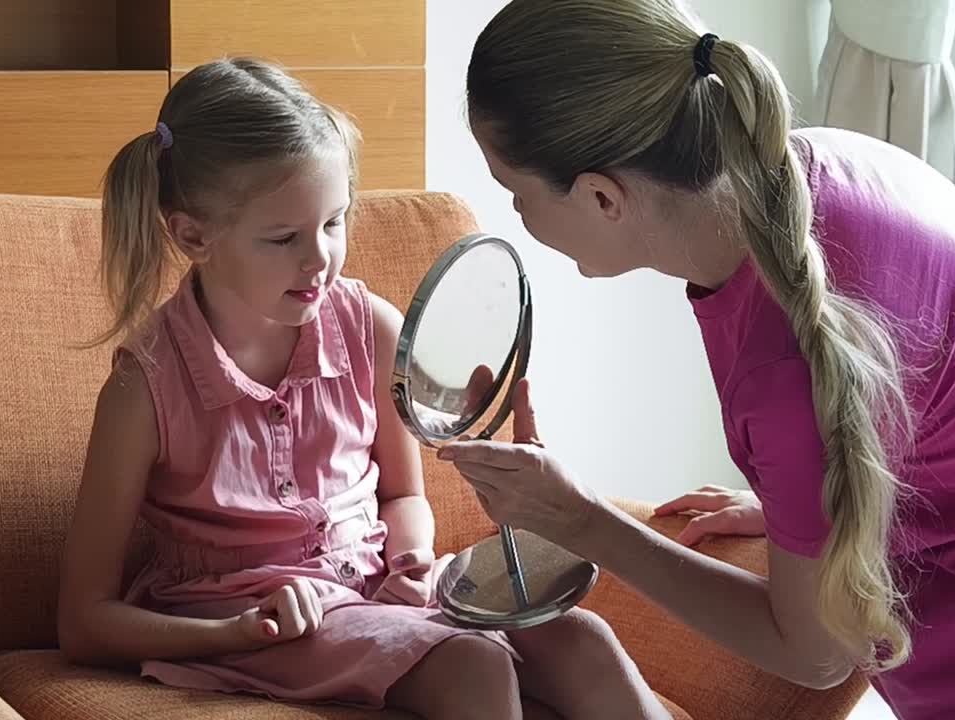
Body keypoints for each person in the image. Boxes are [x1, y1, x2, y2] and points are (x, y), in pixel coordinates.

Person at [437, 2, 955, 719]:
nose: (521, 219)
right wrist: (799, 516)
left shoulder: (784, 357)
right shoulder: (828, 172)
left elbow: (815, 656)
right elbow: (935, 417)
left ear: (602, 197)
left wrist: (581, 519)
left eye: (517, 194)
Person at [56, 57, 669, 720]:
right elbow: (85, 622)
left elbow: (402, 493)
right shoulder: (143, 383)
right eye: (284, 237)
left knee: (582, 640)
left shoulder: (370, 326)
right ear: (192, 235)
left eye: (333, 222)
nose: (319, 258)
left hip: (380, 588)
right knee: (474, 665)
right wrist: (230, 635)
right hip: (253, 617)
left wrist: (412, 558)